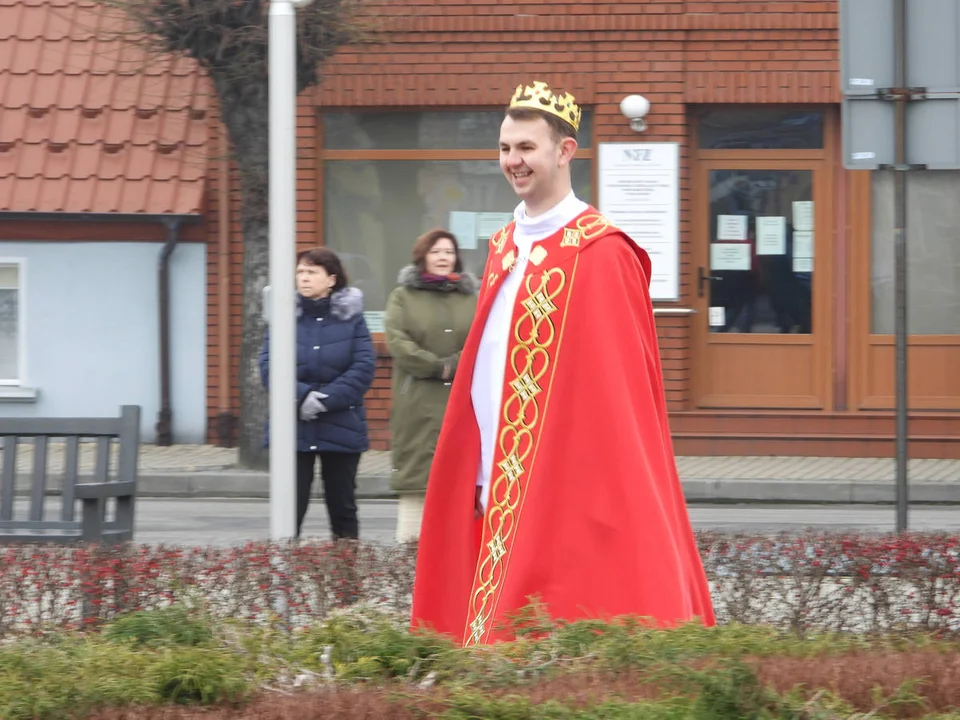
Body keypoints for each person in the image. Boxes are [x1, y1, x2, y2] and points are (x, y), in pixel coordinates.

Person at [411, 80, 716, 645]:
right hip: (493, 475)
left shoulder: (602, 252)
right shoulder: (504, 245)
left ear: (564, 151)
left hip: (567, 487)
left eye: (526, 147)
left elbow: (619, 401)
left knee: (552, 639)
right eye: (505, 148)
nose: (512, 161)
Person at [259, 247, 375, 540]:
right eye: (300, 271)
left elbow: (363, 368)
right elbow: (268, 366)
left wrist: (324, 400)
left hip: (341, 425)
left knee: (343, 509)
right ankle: (281, 580)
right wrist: (301, 396)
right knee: (289, 510)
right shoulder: (284, 317)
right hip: (293, 427)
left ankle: (347, 581)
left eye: (312, 271)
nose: (304, 277)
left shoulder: (353, 320)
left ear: (331, 279)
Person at [384, 229, 478, 543]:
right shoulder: (403, 296)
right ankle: (408, 568)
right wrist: (436, 365)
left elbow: (483, 339)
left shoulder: (470, 298)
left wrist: (457, 363)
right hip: (417, 404)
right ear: (423, 255)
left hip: (463, 400)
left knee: (461, 485)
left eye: (448, 252)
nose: (442, 257)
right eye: (436, 251)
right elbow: (398, 342)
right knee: (417, 484)